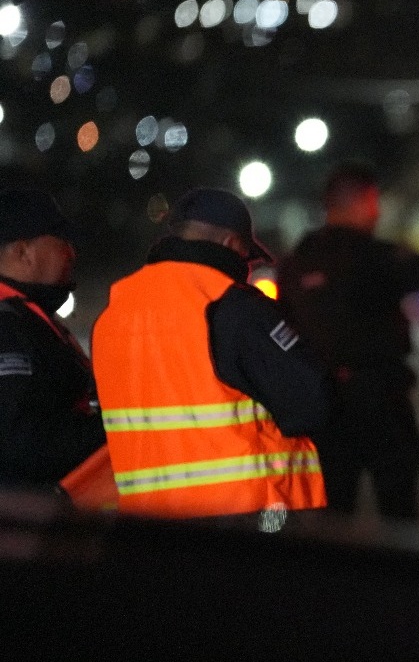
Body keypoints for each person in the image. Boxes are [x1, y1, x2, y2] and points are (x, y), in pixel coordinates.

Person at [92, 187, 329, 527]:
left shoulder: (114, 313)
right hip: (244, 520)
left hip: (149, 524)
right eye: (247, 259)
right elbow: (310, 403)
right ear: (233, 246)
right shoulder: (233, 306)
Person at [277, 162, 419, 521]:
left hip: (322, 403)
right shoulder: (375, 257)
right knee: (398, 507)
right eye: (373, 203)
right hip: (381, 397)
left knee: (333, 511)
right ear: (361, 203)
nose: (378, 212)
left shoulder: (296, 262)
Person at [0, 189, 105, 492]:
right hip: (26, 525)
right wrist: (116, 426)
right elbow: (24, 445)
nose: (71, 253)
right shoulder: (8, 326)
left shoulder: (25, 317)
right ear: (23, 252)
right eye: (62, 242)